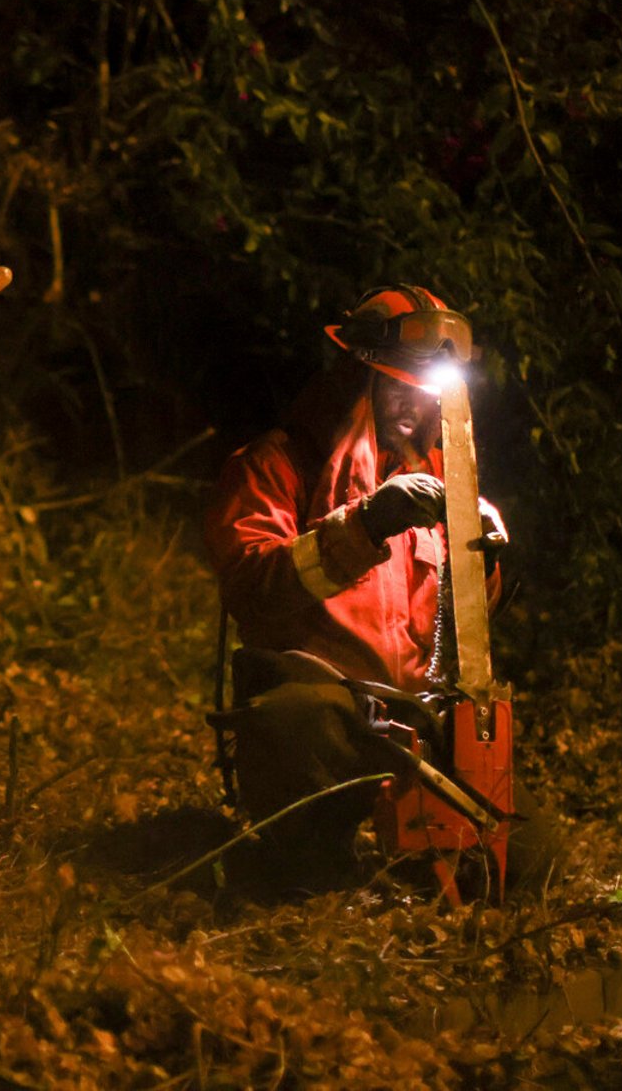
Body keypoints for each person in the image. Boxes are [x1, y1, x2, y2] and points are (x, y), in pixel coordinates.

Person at [202, 285, 537, 892]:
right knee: (298, 722)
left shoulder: (439, 481)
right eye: (395, 383)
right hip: (316, 709)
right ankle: (307, 869)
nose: (414, 402)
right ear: (356, 377)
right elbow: (251, 589)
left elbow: (462, 626)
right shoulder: (276, 466)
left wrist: (482, 563)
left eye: (426, 389)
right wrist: (363, 524)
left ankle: (415, 865)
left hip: (409, 724)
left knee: (528, 856)